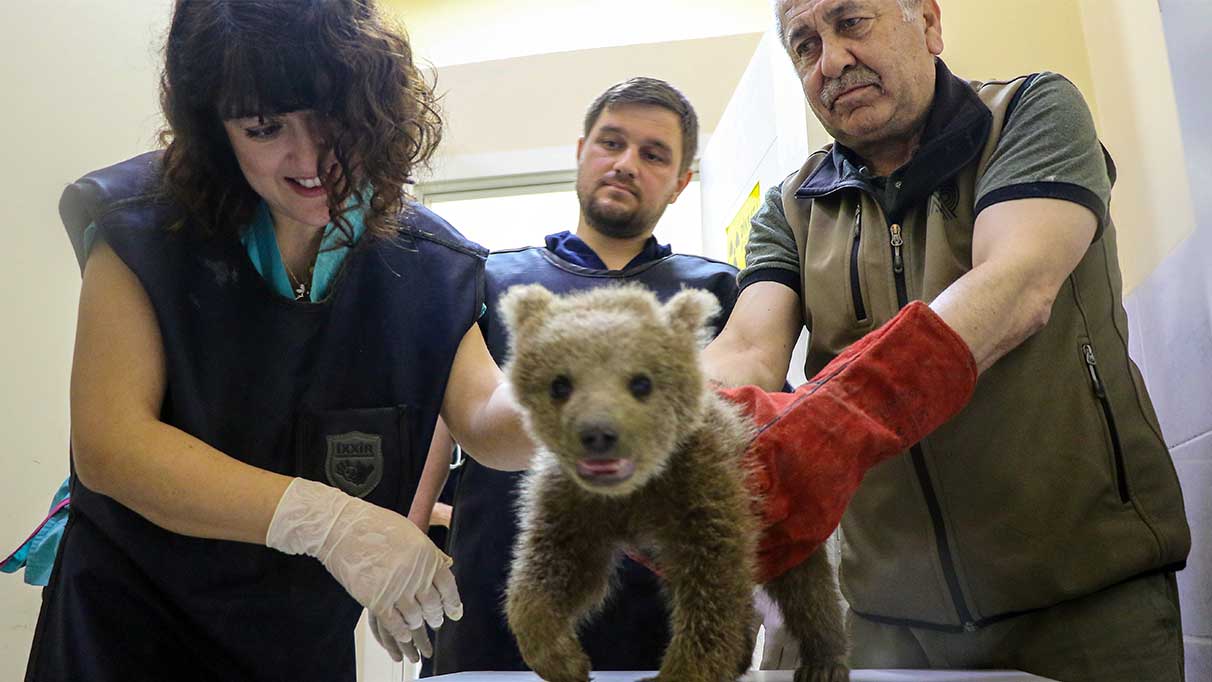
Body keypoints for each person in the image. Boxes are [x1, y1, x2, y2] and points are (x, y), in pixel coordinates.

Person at [25, 1, 534, 679]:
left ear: (376, 105)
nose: (310, 157)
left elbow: (488, 422)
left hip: (294, 640)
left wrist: (583, 408)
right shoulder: (142, 228)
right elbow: (112, 445)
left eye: (333, 117)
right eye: (264, 128)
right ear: (216, 130)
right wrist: (328, 523)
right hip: (127, 630)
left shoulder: (425, 262)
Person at [703, 1, 1191, 680]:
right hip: (886, 623)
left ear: (928, 23)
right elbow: (749, 351)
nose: (832, 61)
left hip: (1084, 606)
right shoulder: (791, 206)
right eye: (805, 45)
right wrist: (665, 422)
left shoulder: (1031, 110)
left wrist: (828, 424)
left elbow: (1016, 286)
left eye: (852, 22)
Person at [427, 77, 742, 674]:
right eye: (611, 142)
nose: (626, 164)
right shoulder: (493, 280)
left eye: (654, 154)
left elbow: (741, 443)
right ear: (580, 151)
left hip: (662, 614)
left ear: (681, 182)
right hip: (496, 600)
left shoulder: (712, 293)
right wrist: (408, 532)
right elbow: (444, 420)